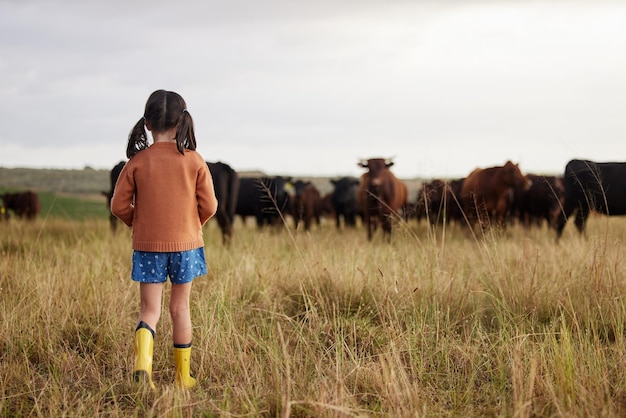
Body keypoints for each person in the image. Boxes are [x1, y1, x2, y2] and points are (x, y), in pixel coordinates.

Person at [111, 90, 218, 390]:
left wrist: (140, 224)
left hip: (147, 248)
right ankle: (184, 378)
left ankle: (143, 369)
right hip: (187, 247)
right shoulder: (195, 161)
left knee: (149, 311)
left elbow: (118, 206)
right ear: (182, 121)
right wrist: (192, 226)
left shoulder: (136, 162)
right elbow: (210, 206)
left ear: (147, 124)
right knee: (180, 309)